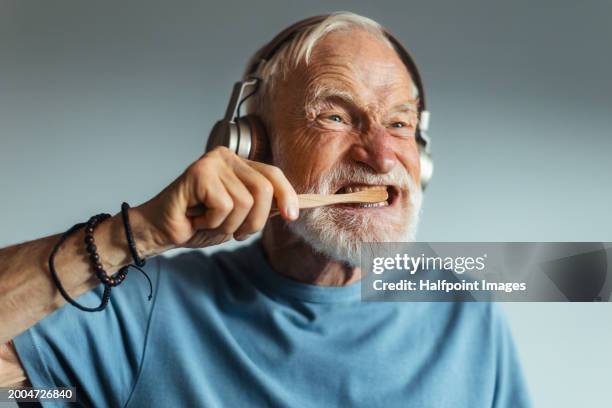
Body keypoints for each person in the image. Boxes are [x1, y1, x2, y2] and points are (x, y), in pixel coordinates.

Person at [0, 12, 531, 407]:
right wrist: (133, 233)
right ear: (253, 147)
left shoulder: (467, 310)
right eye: (335, 117)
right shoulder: (146, 308)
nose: (382, 155)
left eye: (398, 123)